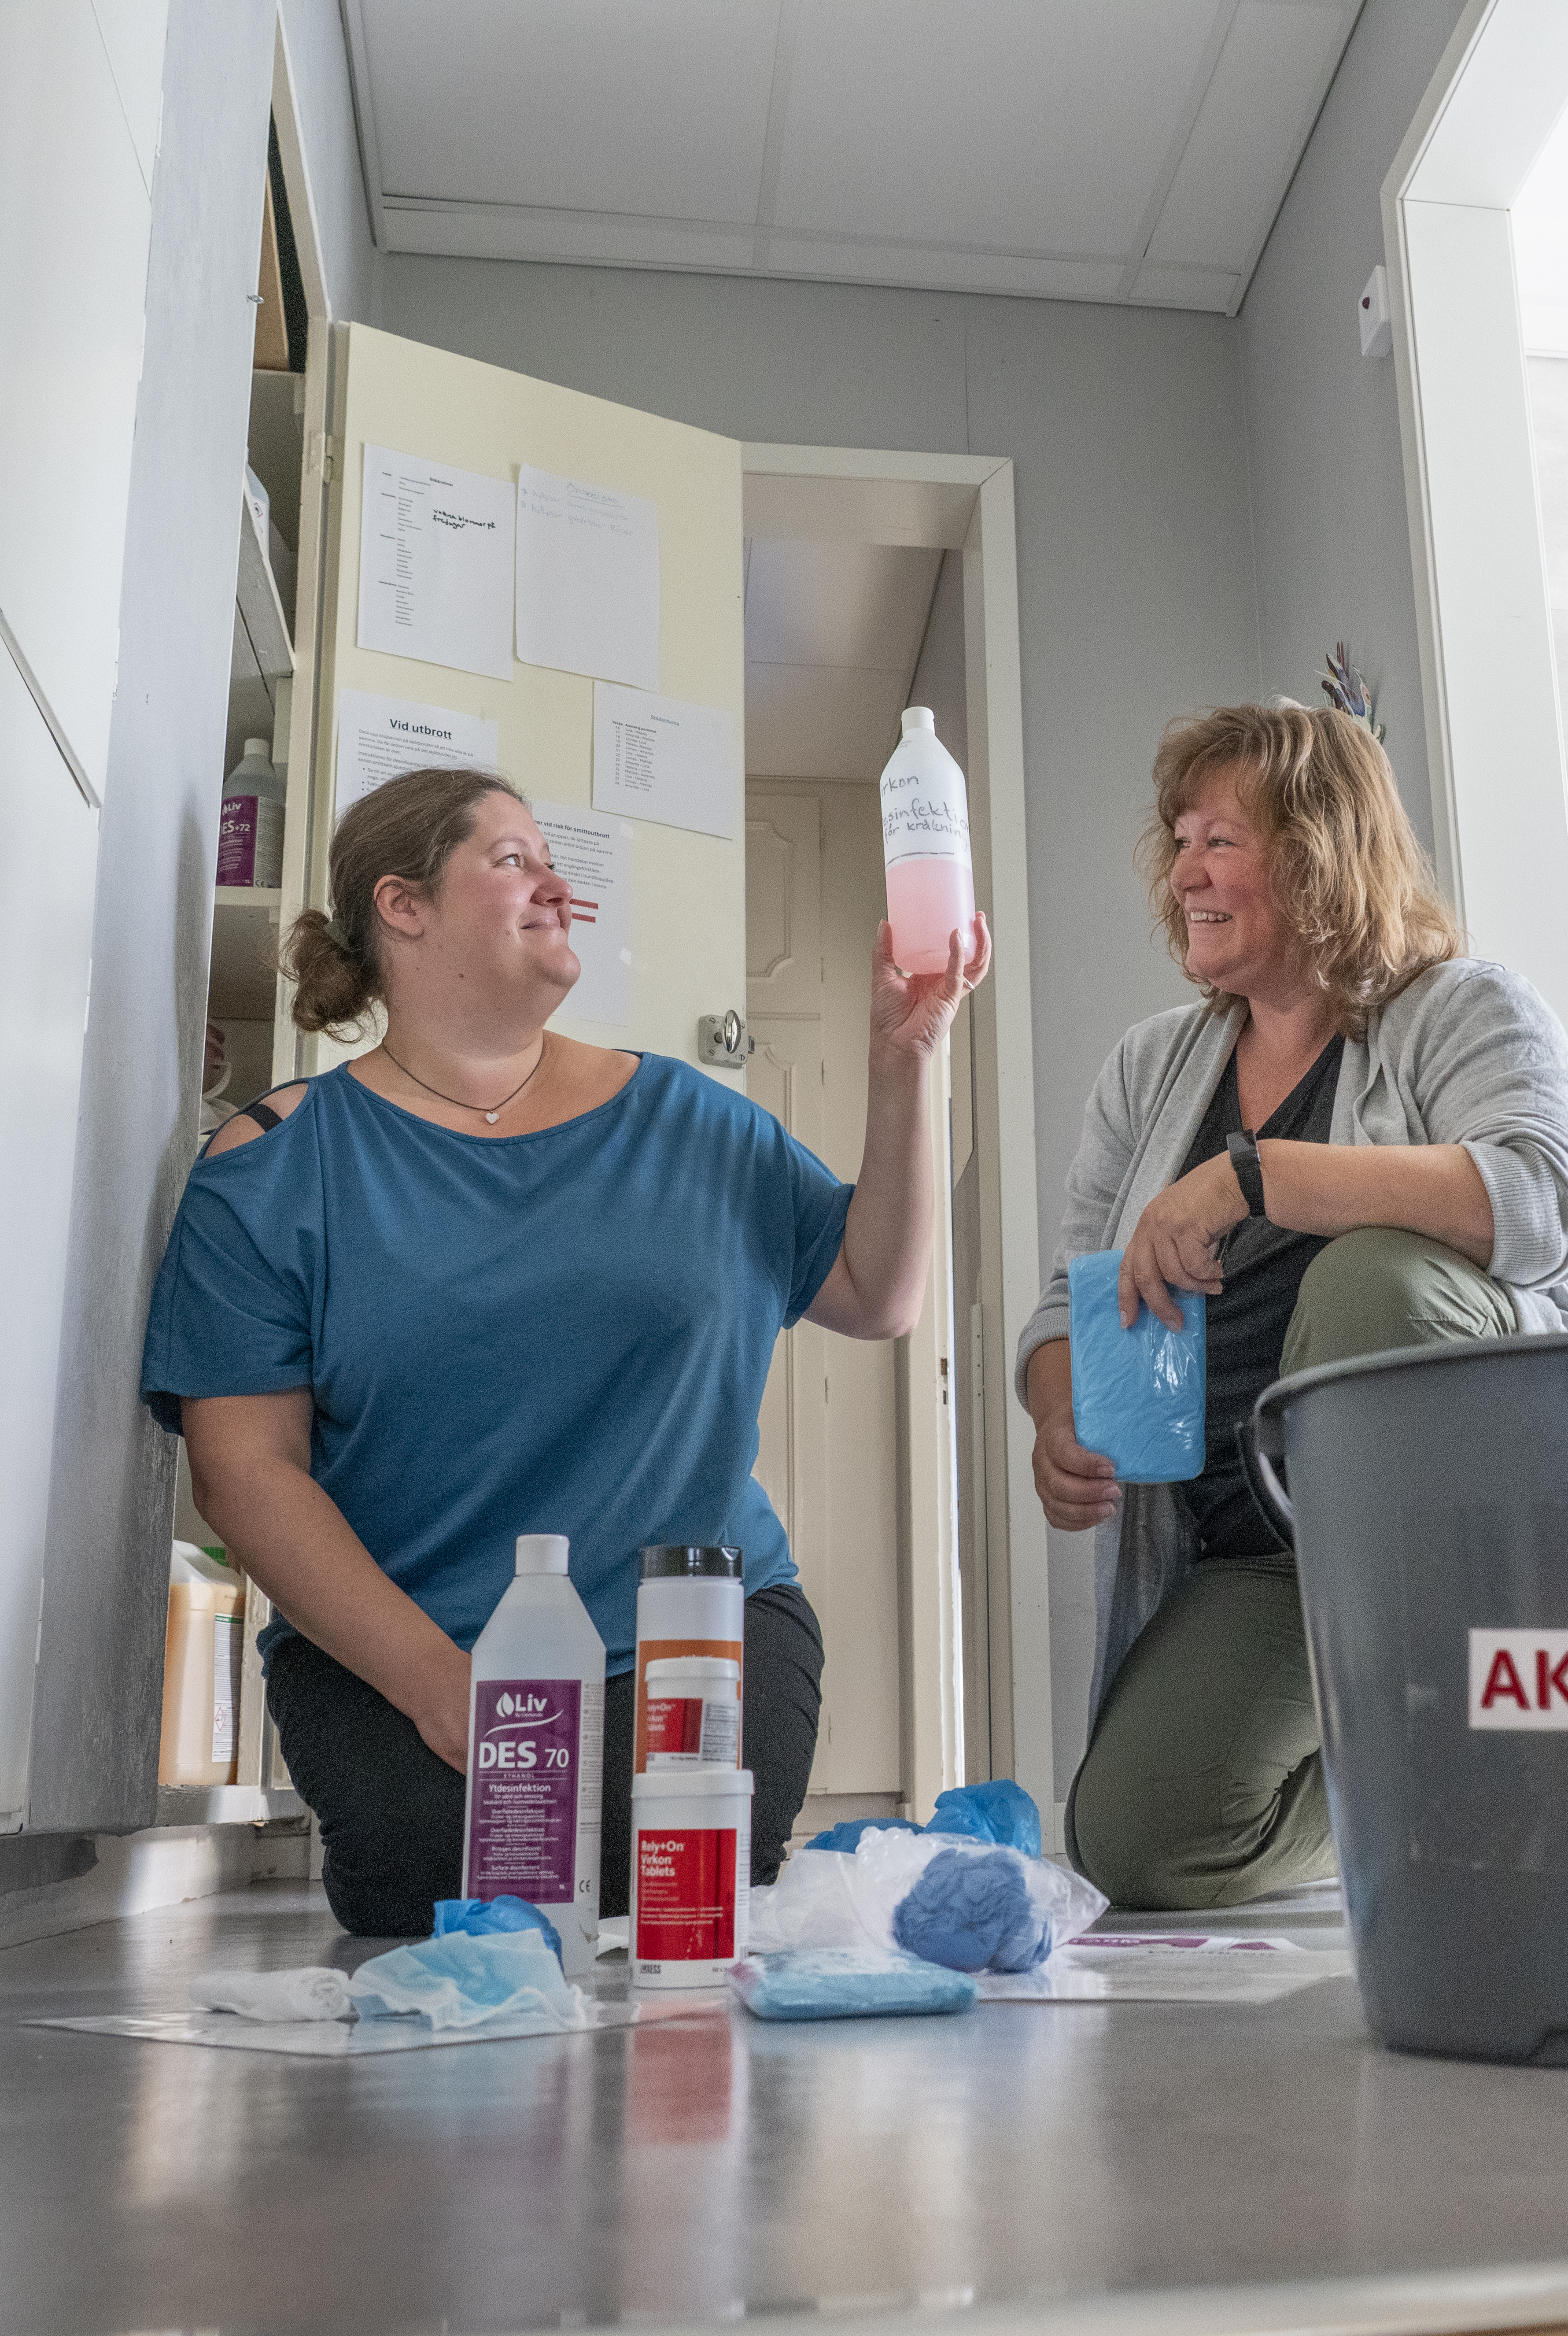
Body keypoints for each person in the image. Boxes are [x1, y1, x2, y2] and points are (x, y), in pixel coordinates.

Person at [145, 765, 984, 1936]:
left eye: (554, 862)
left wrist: (908, 1063)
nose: (558, 887)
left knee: (675, 1885)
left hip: (689, 1632)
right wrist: (439, 1686)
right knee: (438, 1888)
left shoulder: (690, 1122)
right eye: (513, 860)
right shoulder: (271, 1170)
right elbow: (245, 1472)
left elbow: (876, 1292)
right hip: (409, 1648)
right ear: (403, 906)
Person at [1021, 704, 1568, 1911]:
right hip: (1267, 1552)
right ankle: (1432, 1775)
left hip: (1463, 1532)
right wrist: (1061, 1414)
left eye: (1221, 841)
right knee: (1136, 1840)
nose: (1185, 872)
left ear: (1320, 854)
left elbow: (1549, 1204)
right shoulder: (1149, 1067)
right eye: (1181, 841)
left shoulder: (1465, 1008)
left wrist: (1256, 1177)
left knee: (1371, 1279)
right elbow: (1072, 1301)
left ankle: (1484, 1687)